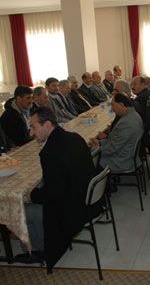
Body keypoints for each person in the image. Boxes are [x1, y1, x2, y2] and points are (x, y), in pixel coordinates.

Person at [27, 107, 96, 269]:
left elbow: (53, 193)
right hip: (86, 198)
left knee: (27, 209)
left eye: (34, 127)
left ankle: (40, 252)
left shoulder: (50, 151)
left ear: (48, 125)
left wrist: (33, 195)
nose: (31, 133)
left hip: (73, 209)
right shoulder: (74, 137)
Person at [89, 93, 144, 173]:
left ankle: (101, 184)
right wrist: (99, 142)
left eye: (113, 105)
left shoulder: (126, 123)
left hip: (122, 160)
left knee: (91, 160)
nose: (112, 109)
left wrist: (97, 148)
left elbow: (112, 148)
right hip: (127, 154)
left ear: (121, 104)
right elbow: (115, 140)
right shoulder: (132, 114)